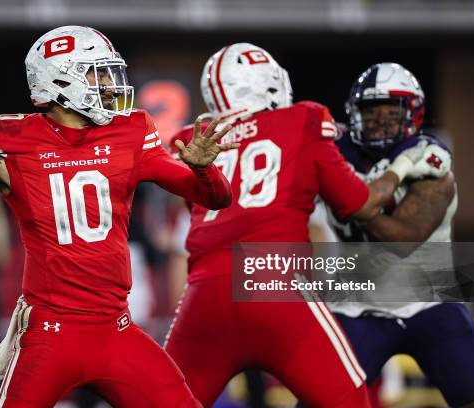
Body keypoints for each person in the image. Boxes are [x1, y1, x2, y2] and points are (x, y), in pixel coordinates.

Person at [0, 25, 238, 408]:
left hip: (116, 331)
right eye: (97, 72)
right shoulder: (11, 139)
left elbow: (215, 198)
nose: (110, 84)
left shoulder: (131, 130)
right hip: (49, 335)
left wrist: (204, 169)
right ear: (61, 79)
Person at [165, 44, 449, 408]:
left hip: (204, 294)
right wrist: (403, 167)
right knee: (350, 401)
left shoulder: (193, 139)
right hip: (273, 282)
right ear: (268, 83)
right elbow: (359, 203)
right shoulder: (304, 119)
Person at [324, 62, 474, 408]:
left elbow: (402, 240)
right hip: (356, 305)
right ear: (355, 114)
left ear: (412, 114)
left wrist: (353, 202)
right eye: (371, 110)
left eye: (391, 111)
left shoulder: (428, 160)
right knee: (319, 402)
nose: (381, 118)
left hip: (429, 301)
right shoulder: (335, 153)